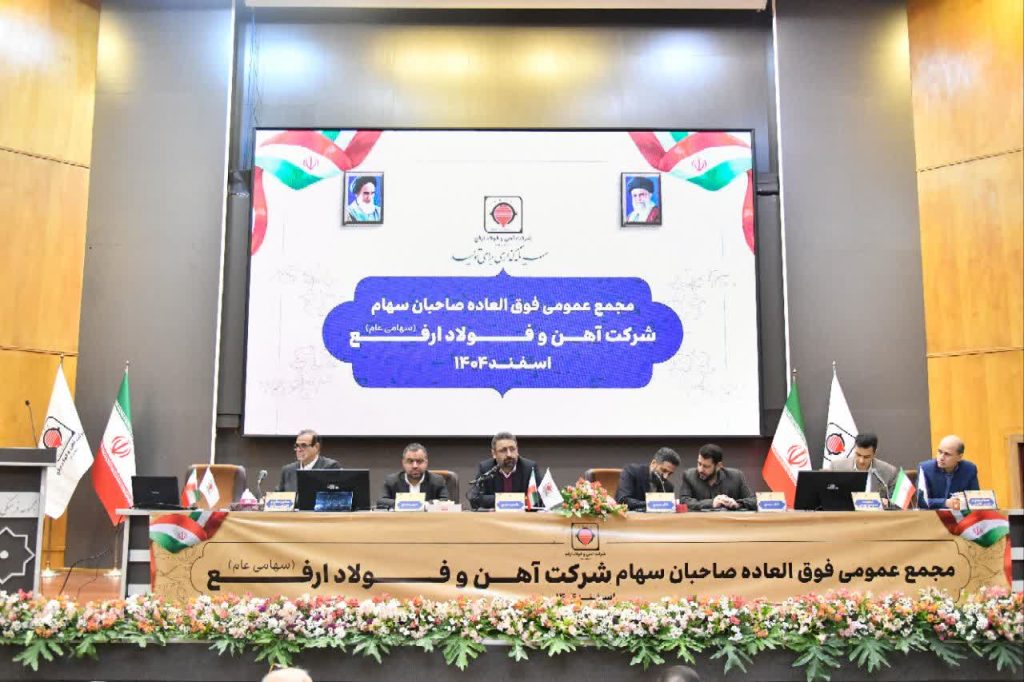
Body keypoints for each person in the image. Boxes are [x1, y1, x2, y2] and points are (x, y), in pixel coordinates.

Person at [468, 432, 541, 510]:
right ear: (494, 453)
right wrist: (509, 500)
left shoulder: (529, 468)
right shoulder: (486, 468)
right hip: (496, 517)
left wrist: (501, 500)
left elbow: (539, 498)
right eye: (503, 450)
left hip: (522, 516)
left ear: (517, 450)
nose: (509, 454)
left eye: (512, 449)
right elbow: (475, 498)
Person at [678, 444, 756, 511]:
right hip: (700, 522)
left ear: (718, 466)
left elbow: (754, 500)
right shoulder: (689, 476)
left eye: (706, 466)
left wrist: (738, 503)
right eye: (699, 464)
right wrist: (712, 503)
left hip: (727, 522)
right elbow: (684, 501)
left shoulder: (736, 477)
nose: (700, 469)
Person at [829, 433, 900, 506]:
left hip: (875, 513)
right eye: (858, 455)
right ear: (854, 449)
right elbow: (829, 495)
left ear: (874, 454)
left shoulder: (889, 472)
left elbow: (896, 503)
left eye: (866, 457)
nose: (861, 461)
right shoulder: (837, 467)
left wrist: (887, 503)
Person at [376, 443, 450, 509]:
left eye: (419, 461)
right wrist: (404, 504)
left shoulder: (437, 481)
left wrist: (423, 505)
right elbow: (381, 501)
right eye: (410, 461)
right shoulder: (391, 481)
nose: (415, 466)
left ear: (426, 463)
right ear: (403, 463)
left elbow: (445, 501)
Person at [917, 434, 980, 510]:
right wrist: (945, 503)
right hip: (933, 514)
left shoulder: (969, 469)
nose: (941, 458)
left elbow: (975, 499)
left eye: (947, 454)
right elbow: (921, 501)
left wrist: (962, 501)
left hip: (960, 514)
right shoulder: (925, 468)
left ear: (959, 457)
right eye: (940, 452)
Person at [276, 429, 341, 493]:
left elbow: (334, 495)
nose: (298, 450)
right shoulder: (288, 470)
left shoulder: (330, 467)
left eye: (303, 445)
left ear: (316, 447)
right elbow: (278, 496)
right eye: (297, 446)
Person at [615, 447, 680, 511]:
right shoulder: (632, 472)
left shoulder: (668, 486)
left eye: (670, 473)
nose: (665, 477)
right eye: (664, 470)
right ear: (653, 463)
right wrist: (653, 504)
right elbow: (623, 500)